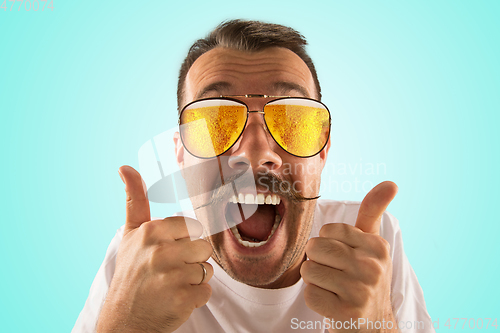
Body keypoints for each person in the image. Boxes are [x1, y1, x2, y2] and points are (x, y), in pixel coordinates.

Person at [73, 20, 434, 332]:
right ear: (181, 154)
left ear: (323, 149)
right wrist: (129, 325)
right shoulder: (140, 255)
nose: (255, 153)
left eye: (293, 121)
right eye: (215, 123)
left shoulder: (372, 243)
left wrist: (375, 329)